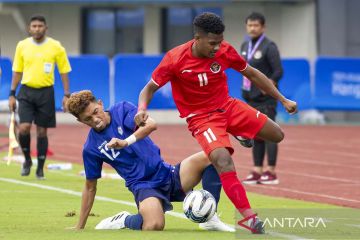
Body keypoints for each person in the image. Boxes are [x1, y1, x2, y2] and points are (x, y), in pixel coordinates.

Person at [134, 12, 297, 233]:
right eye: (212, 43)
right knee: (223, 160)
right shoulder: (175, 59)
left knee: (277, 135)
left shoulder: (225, 50)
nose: (217, 48)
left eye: (220, 42)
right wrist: (142, 110)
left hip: (229, 107)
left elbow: (253, 74)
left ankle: (239, 132)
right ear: (197, 38)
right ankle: (249, 219)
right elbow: (149, 89)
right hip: (201, 118)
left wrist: (282, 99)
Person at [66, 90, 233, 232]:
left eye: (96, 111)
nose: (95, 119)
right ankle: (124, 220)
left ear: (101, 104)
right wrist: (80, 226)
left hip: (167, 173)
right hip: (143, 186)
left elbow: (151, 124)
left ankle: (209, 218)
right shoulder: (91, 148)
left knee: (214, 155)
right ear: (81, 121)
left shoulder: (122, 110)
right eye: (88, 119)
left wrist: (125, 142)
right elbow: (90, 187)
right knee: (154, 225)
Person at [8, 15, 71, 179]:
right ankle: (27, 160)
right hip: (26, 91)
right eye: (34, 26)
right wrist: (12, 94)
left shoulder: (55, 47)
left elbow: (64, 71)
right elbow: (17, 71)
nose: (37, 29)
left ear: (46, 28)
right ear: (29, 28)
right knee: (24, 128)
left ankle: (40, 168)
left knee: (42, 132)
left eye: (40, 26)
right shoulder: (22, 46)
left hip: (46, 92)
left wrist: (66, 95)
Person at [240, 12, 283, 185]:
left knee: (269, 134)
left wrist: (269, 85)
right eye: (250, 25)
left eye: (256, 25)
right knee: (255, 133)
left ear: (263, 27)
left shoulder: (269, 46)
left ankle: (271, 171)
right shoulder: (244, 45)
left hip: (266, 100)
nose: (252, 28)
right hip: (250, 98)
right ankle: (257, 169)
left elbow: (278, 70)